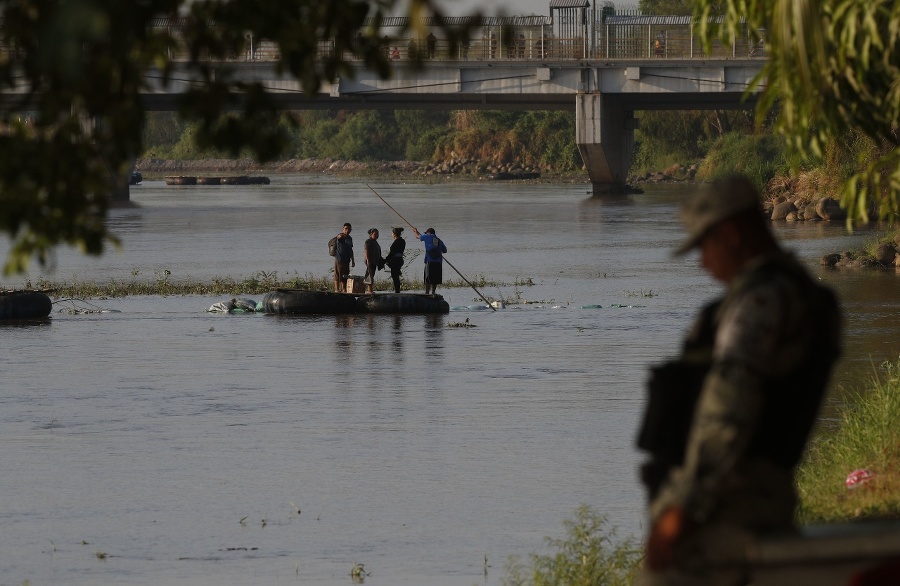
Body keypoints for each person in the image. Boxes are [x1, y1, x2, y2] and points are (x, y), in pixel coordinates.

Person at [636, 175, 841, 585]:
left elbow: (729, 407)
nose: (703, 262)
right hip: (754, 499)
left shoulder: (760, 302)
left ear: (729, 234)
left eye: (704, 246)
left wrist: (685, 509)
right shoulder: (799, 294)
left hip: (728, 511)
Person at [413, 227, 447, 296]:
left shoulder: (427, 236)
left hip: (430, 261)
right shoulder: (439, 240)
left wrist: (415, 231)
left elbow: (417, 236)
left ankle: (427, 293)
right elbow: (445, 250)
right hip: (438, 262)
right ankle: (433, 292)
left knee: (428, 278)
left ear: (428, 233)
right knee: (435, 278)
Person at [383, 226, 406, 293]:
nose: (391, 235)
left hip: (395, 261)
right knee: (396, 276)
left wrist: (386, 260)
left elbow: (392, 253)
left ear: (394, 234)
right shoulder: (402, 241)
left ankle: (397, 291)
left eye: (392, 233)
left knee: (395, 276)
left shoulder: (396, 242)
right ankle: (397, 290)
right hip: (400, 260)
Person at [332, 223, 355, 292]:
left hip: (347, 260)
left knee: (345, 275)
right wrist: (339, 236)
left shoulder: (350, 238)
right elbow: (338, 237)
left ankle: (344, 289)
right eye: (346, 229)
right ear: (343, 229)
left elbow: (351, 250)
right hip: (339, 259)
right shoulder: (341, 236)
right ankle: (337, 289)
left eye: (349, 229)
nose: (347, 230)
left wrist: (353, 260)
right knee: (338, 274)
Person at [363, 228, 383, 294]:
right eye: (375, 234)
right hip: (370, 261)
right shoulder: (368, 241)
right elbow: (366, 251)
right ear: (371, 234)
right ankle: (369, 290)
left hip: (374, 261)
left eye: (378, 234)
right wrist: (368, 260)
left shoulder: (375, 242)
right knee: (370, 275)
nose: (377, 235)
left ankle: (369, 289)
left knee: (372, 274)